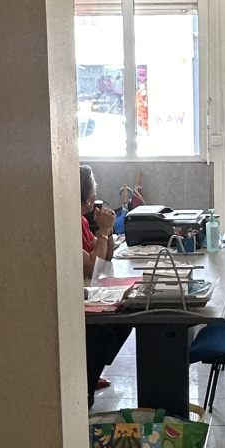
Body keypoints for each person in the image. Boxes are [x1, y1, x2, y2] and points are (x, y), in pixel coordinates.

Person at [81, 166, 131, 404]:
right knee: (104, 331)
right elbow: (93, 267)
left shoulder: (82, 221)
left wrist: (108, 232)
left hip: (90, 290)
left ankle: (91, 374)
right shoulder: (65, 224)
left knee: (124, 321)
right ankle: (86, 389)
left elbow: (105, 257)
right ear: (89, 198)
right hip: (78, 297)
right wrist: (103, 230)